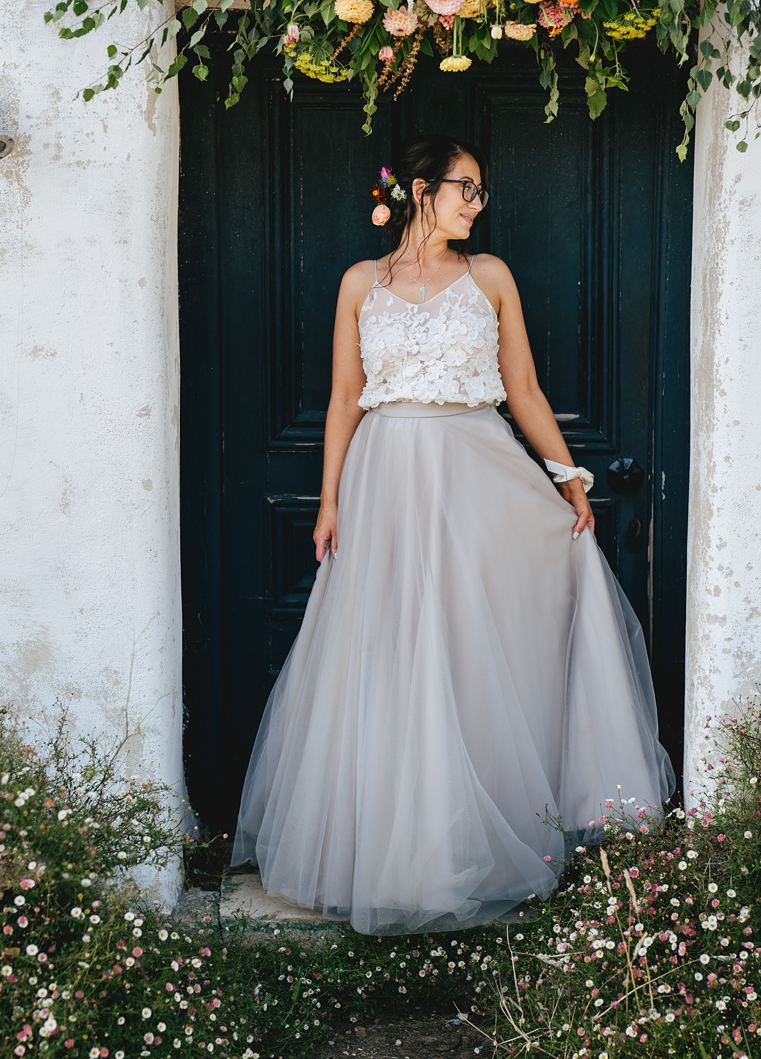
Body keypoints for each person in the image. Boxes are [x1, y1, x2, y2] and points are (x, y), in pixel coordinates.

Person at [232, 134, 676, 933]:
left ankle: (475, 837)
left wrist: (569, 477)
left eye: (479, 190)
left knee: (469, 644)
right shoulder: (359, 284)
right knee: (392, 649)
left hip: (477, 468)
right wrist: (329, 500)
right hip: (385, 475)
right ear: (419, 191)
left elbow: (527, 389)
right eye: (465, 188)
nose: (477, 203)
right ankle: (395, 854)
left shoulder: (491, 277)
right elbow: (342, 396)